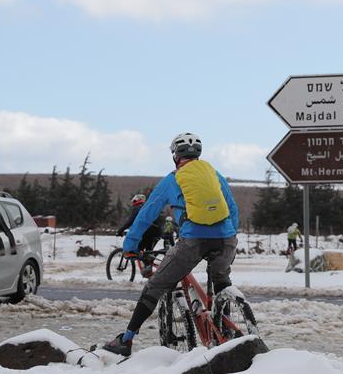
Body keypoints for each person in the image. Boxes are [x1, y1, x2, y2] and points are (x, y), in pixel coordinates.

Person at [103, 132, 240, 356]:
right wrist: (230, 234)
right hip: (226, 239)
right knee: (221, 281)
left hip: (193, 240)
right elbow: (232, 207)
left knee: (155, 286)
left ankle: (126, 340)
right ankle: (229, 330)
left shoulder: (172, 179)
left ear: (176, 156)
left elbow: (146, 215)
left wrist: (130, 246)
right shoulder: (214, 174)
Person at [116, 194, 162, 276]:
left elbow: (131, 221)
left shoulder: (138, 208)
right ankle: (149, 270)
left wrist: (120, 230)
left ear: (136, 201)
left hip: (150, 232)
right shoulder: (146, 207)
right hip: (155, 232)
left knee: (138, 250)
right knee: (147, 252)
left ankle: (148, 269)